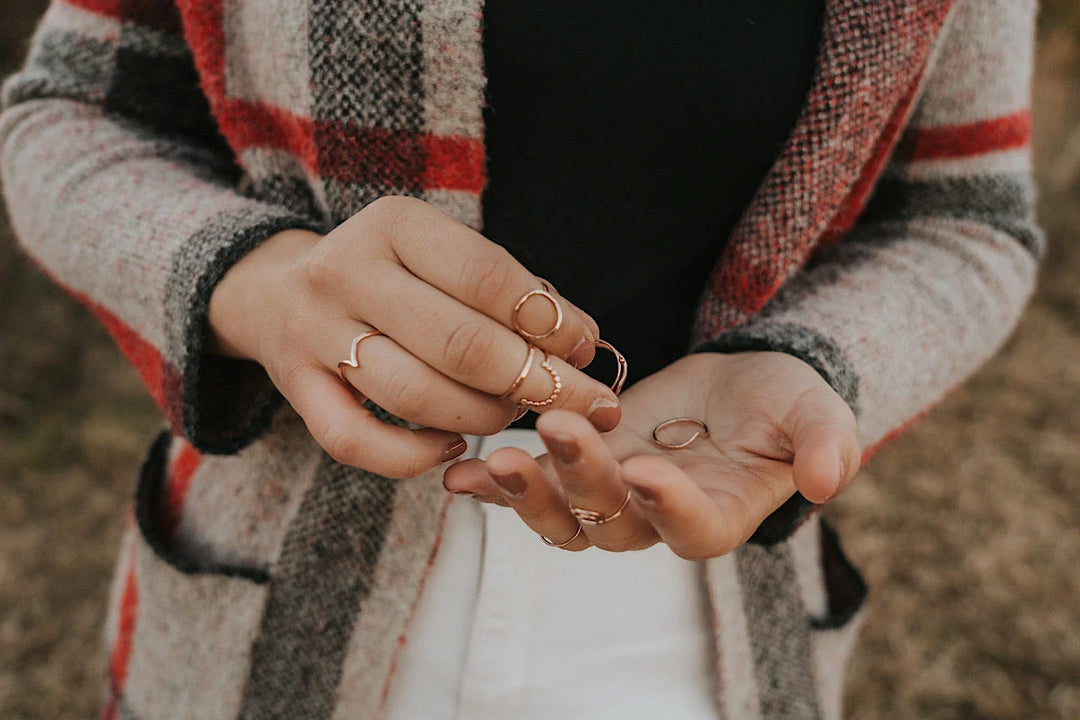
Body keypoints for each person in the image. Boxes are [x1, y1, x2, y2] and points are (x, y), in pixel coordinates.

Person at [0, 0, 1041, 718]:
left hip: (706, 621)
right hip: (264, 604)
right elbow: (72, 117)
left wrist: (810, 362)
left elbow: (968, 217)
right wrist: (260, 284)